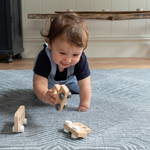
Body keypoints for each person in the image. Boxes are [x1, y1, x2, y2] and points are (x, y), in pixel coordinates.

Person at [33, 13, 91, 111]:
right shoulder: (44, 57)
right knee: (39, 92)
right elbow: (39, 83)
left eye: (75, 54)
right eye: (62, 53)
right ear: (49, 43)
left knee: (82, 89)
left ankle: (67, 89)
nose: (68, 60)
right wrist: (45, 94)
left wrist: (84, 104)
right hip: (50, 83)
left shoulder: (81, 59)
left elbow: (85, 84)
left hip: (71, 81)